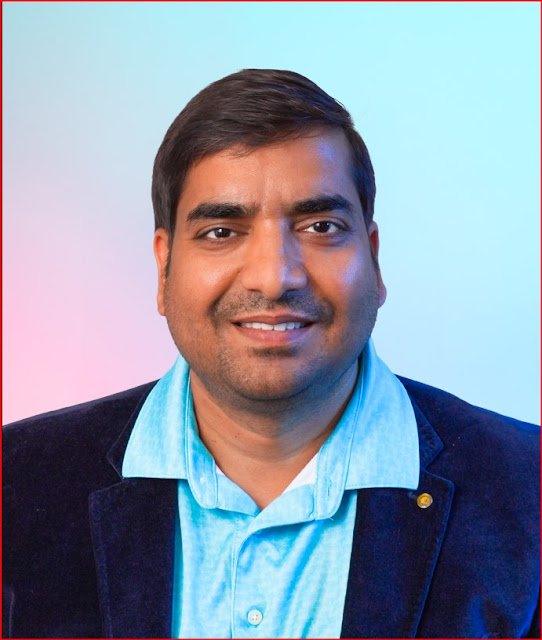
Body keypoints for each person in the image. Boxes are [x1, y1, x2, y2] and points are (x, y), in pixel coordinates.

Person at [3, 69, 539, 639]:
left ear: (374, 259)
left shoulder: (529, 490)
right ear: (163, 269)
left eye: (320, 226)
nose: (275, 276)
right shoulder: (15, 483)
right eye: (221, 232)